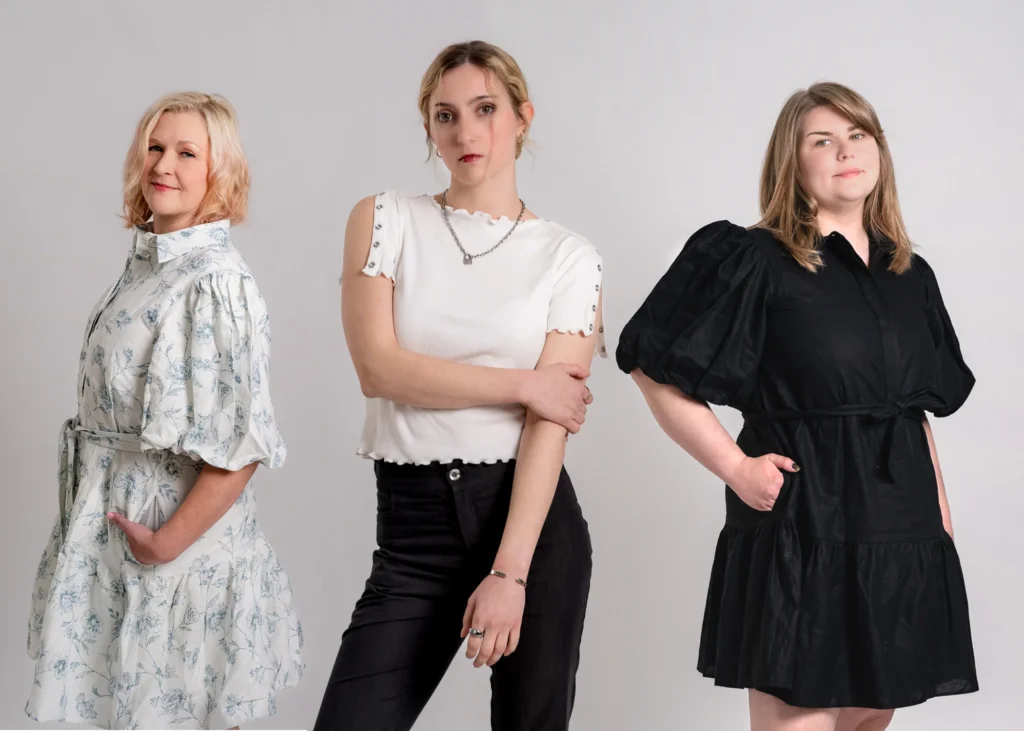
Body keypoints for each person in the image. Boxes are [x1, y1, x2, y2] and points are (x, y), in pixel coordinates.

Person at [616, 82, 977, 731]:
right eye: (823, 139)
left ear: (880, 151)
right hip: (803, 528)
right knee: (802, 719)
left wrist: (941, 526)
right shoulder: (754, 260)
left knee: (869, 718)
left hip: (899, 534)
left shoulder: (909, 275)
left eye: (858, 135)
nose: (845, 150)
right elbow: (652, 365)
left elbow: (913, 410)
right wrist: (734, 465)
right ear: (793, 160)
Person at [314, 41, 604, 731]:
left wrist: (510, 573)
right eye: (446, 116)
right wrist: (523, 383)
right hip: (413, 529)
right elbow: (378, 369)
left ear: (522, 117)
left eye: (484, 110)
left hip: (527, 522)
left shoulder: (569, 257)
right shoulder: (385, 220)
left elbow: (551, 419)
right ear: (429, 130)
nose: (466, 132)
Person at [26, 92, 303, 729]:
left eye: (186, 152)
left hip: (173, 552)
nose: (164, 165)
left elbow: (243, 444)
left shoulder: (215, 280)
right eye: (155, 147)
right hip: (113, 539)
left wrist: (162, 545)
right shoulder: (146, 266)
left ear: (219, 171)